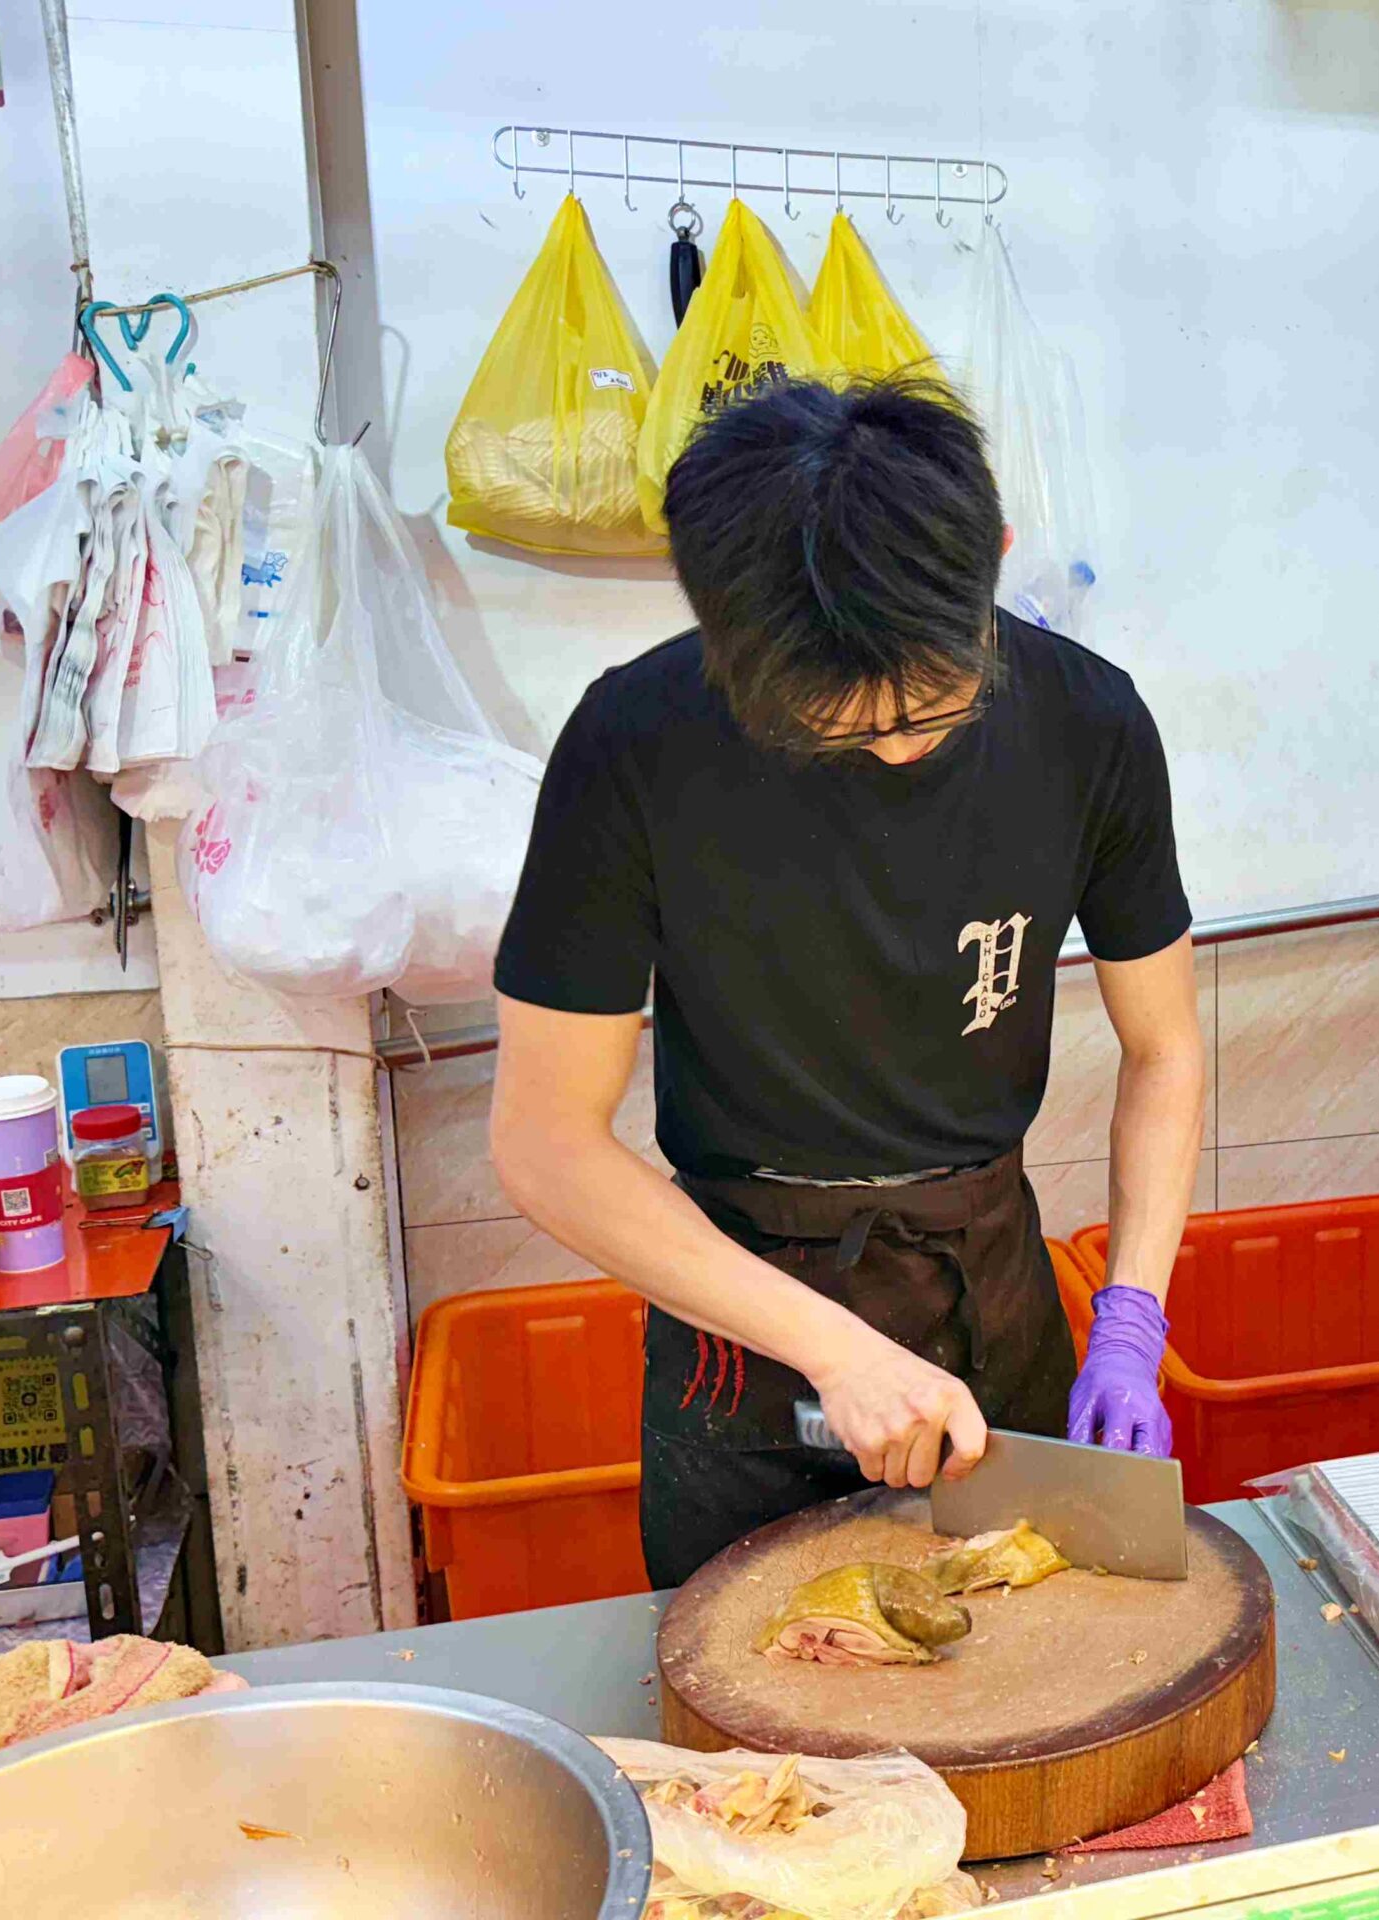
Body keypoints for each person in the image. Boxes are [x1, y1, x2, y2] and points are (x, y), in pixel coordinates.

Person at [487, 375, 1205, 1587]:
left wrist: (1131, 1319)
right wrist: (833, 1349)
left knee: (1040, 1681)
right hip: (746, 1309)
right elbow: (545, 1139)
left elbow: (1166, 1046)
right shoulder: (634, 743)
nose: (902, 747)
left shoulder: (1090, 725)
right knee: (757, 1711)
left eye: (935, 703)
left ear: (994, 569)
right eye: (842, 729)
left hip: (994, 1277)